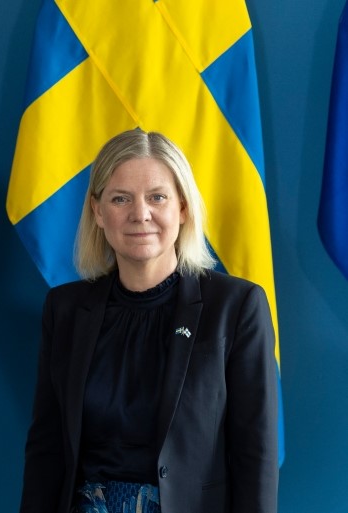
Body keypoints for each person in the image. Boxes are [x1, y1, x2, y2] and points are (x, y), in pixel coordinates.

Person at [19, 129, 278, 513]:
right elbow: (47, 447)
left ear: (183, 208)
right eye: (120, 198)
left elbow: (255, 454)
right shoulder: (65, 309)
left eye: (157, 197)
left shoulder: (236, 306)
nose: (140, 214)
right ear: (98, 212)